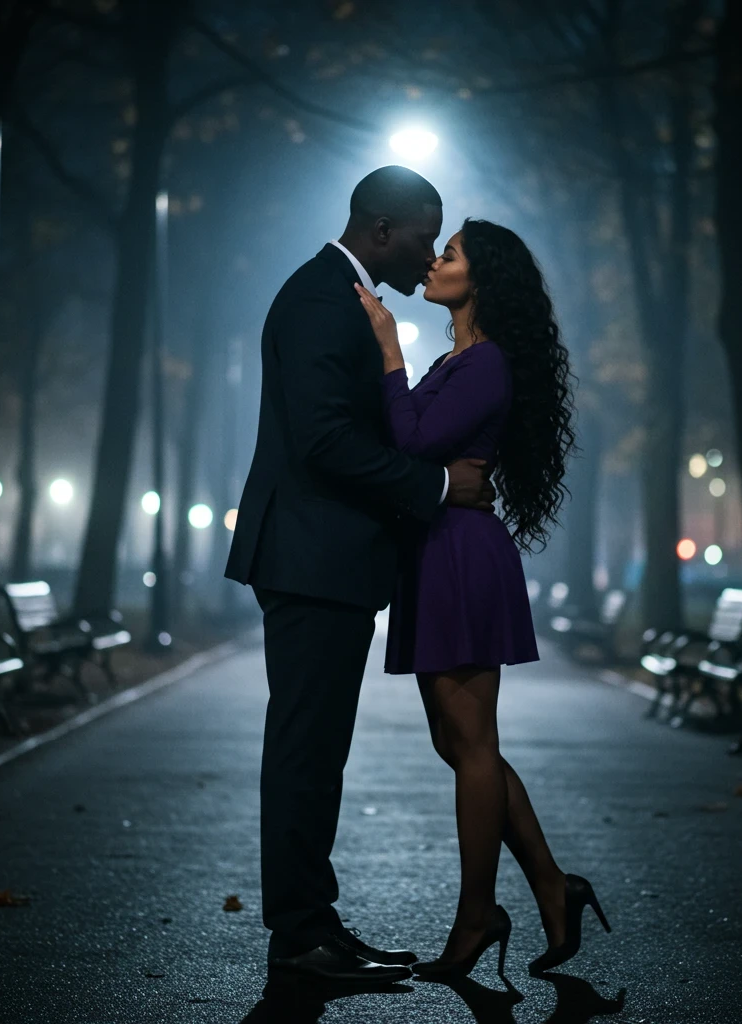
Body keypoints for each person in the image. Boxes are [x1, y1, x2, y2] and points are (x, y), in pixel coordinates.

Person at [224, 166, 496, 984]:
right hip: (312, 558)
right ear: (381, 228)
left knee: (314, 750)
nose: (428, 255)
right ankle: (301, 936)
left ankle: (314, 926)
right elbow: (325, 442)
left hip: (323, 558)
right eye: (424, 234)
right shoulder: (319, 299)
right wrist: (442, 487)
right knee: (306, 750)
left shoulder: (346, 299)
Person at [355, 218, 611, 980]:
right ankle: (549, 886)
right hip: (439, 553)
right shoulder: (459, 360)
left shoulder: (486, 365)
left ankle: (477, 915)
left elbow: (410, 443)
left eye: (451, 254)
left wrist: (392, 352)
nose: (434, 261)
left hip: (461, 555)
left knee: (471, 747)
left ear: (482, 280)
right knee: (462, 746)